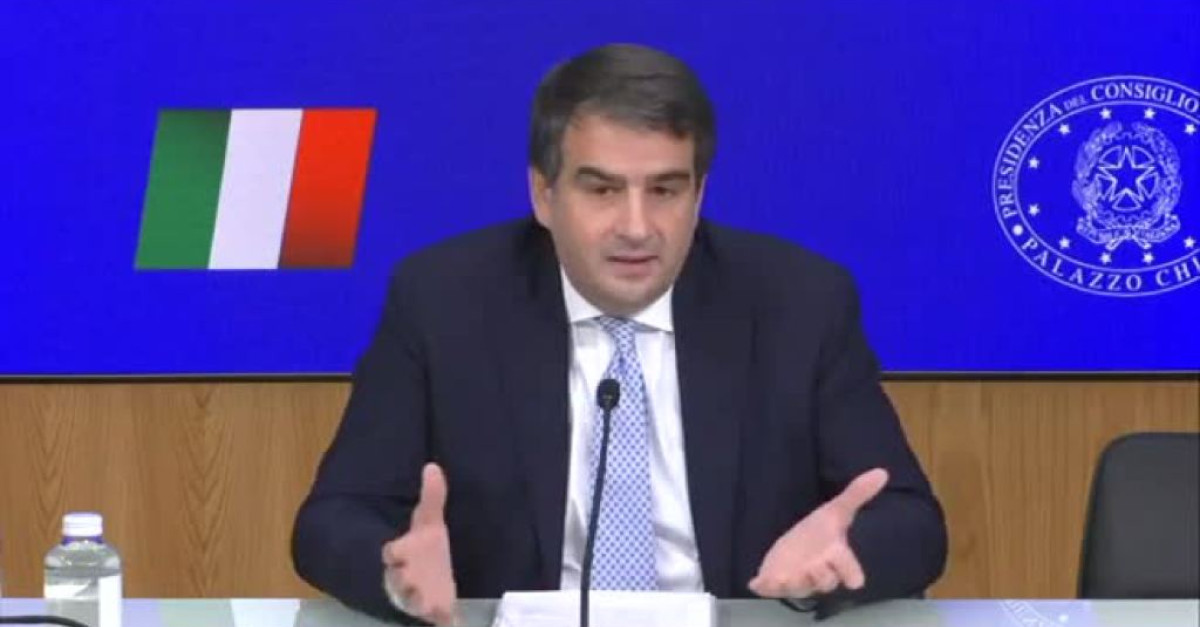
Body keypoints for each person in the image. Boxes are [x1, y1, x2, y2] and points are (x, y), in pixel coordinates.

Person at [292, 43, 946, 626]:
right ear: (544, 195)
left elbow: (912, 522)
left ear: (699, 195)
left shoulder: (798, 302)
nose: (637, 227)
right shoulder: (445, 300)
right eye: (602, 190)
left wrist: (840, 556)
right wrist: (393, 570)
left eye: (665, 190)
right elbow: (332, 518)